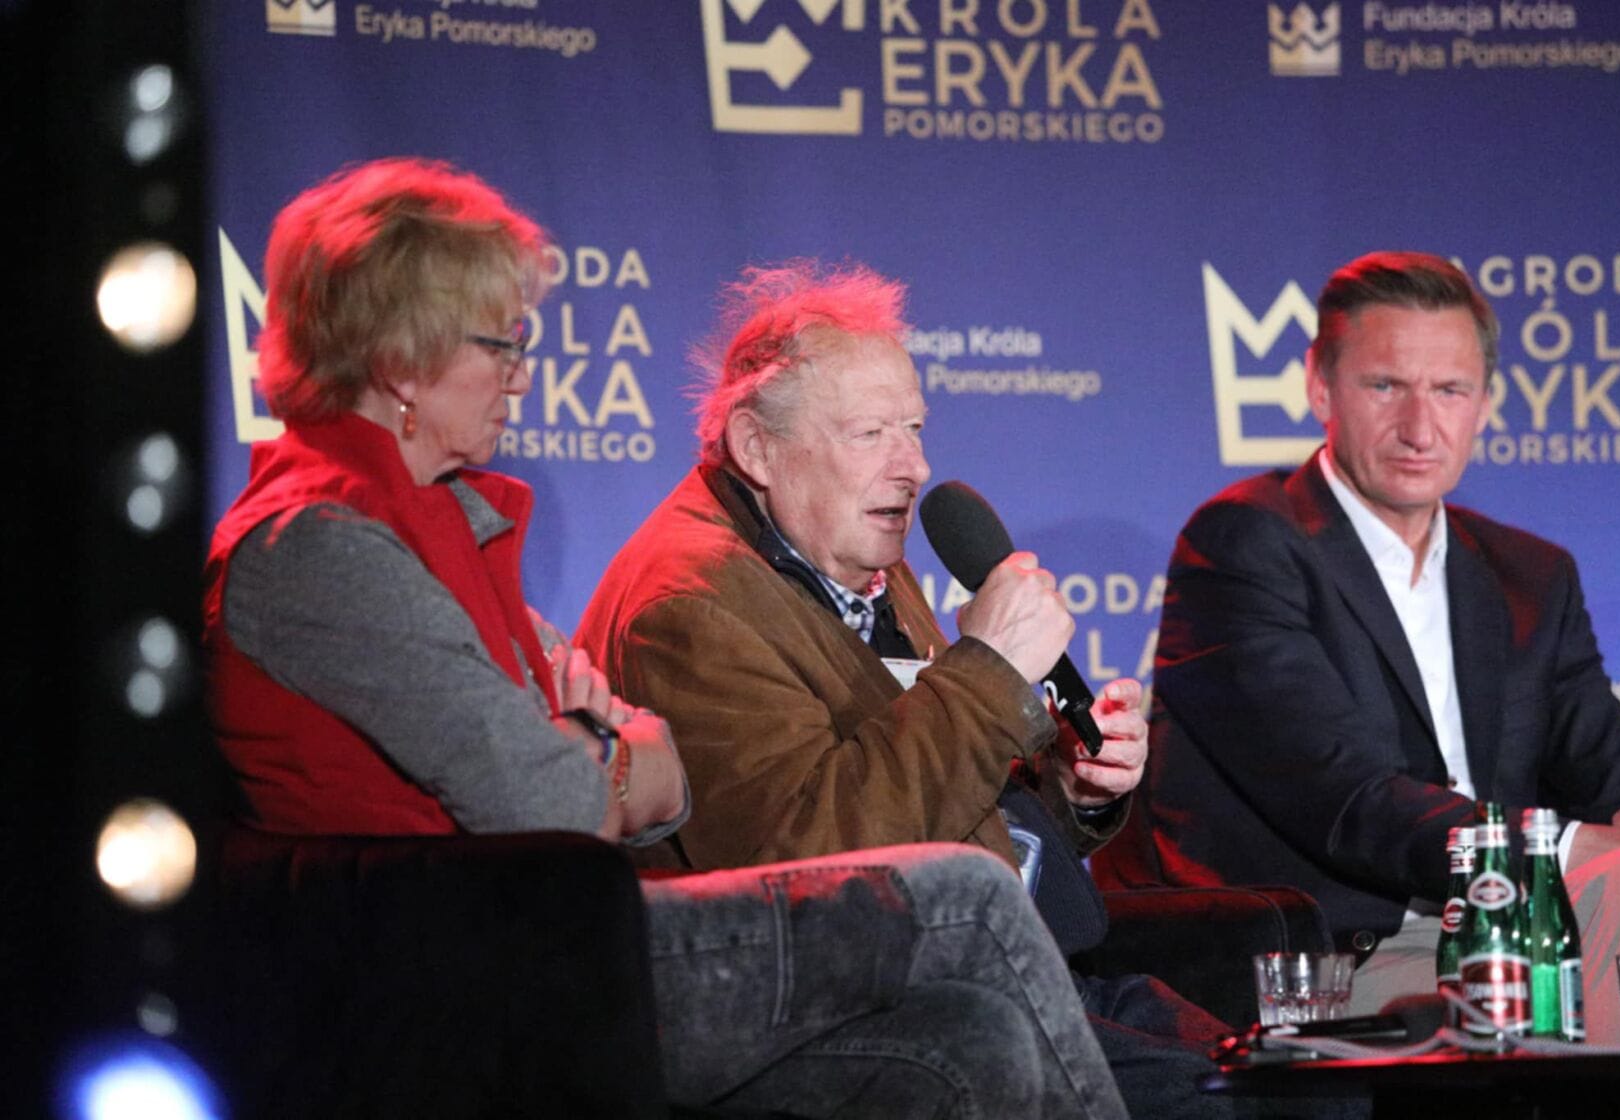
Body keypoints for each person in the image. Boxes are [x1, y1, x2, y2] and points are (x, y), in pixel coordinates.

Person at [202, 158, 1125, 1119]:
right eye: (501, 342)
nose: (524, 374)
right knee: (966, 899)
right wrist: (603, 746)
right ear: (402, 360)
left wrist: (592, 750)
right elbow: (555, 800)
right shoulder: (319, 548)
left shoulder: (438, 525)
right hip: (450, 982)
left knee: (972, 1043)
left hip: (536, 938)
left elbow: (655, 781)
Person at [574, 262, 1244, 1120]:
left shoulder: (849, 553)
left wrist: (1069, 788)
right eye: (870, 434)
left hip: (1002, 966)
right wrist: (988, 671)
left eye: (916, 428)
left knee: (1292, 1080)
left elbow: (937, 792)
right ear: (756, 448)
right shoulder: (689, 610)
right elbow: (811, 867)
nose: (915, 466)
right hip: (859, 1015)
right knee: (1214, 1102)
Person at [1110, 250, 1620, 1043]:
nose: (1420, 428)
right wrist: (1565, 847)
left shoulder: (1531, 574)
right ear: (1320, 388)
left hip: (1513, 932)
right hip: (1334, 955)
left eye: (1449, 390)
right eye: (1386, 386)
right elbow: (1342, 796)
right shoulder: (1245, 543)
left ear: (1485, 404)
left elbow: (1615, 773)